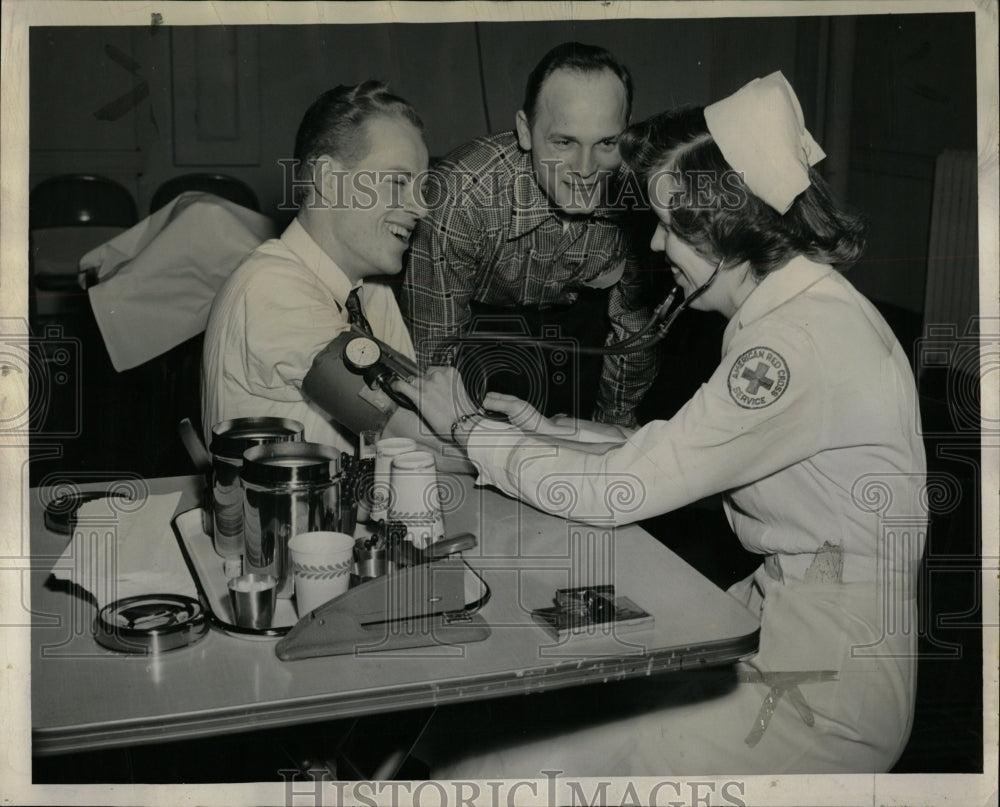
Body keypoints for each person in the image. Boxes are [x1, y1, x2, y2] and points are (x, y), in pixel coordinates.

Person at [397, 72, 927, 775]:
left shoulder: (788, 346)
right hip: (780, 634)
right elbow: (690, 452)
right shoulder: (800, 310)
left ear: (726, 225)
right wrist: (547, 431)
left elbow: (627, 488)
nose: (652, 245)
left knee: (498, 764)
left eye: (671, 226)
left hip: (820, 697)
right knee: (528, 711)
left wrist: (468, 429)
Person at [400, 42, 657, 427]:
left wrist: (611, 431)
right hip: (475, 330)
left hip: (575, 332)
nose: (586, 170)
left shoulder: (638, 196)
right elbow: (435, 351)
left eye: (606, 143)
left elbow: (633, 335)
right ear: (525, 130)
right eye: (564, 142)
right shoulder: (460, 197)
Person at [202, 81, 437, 455]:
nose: (422, 208)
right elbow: (416, 435)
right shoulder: (269, 286)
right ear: (329, 180)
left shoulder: (371, 293)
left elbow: (430, 422)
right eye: (398, 182)